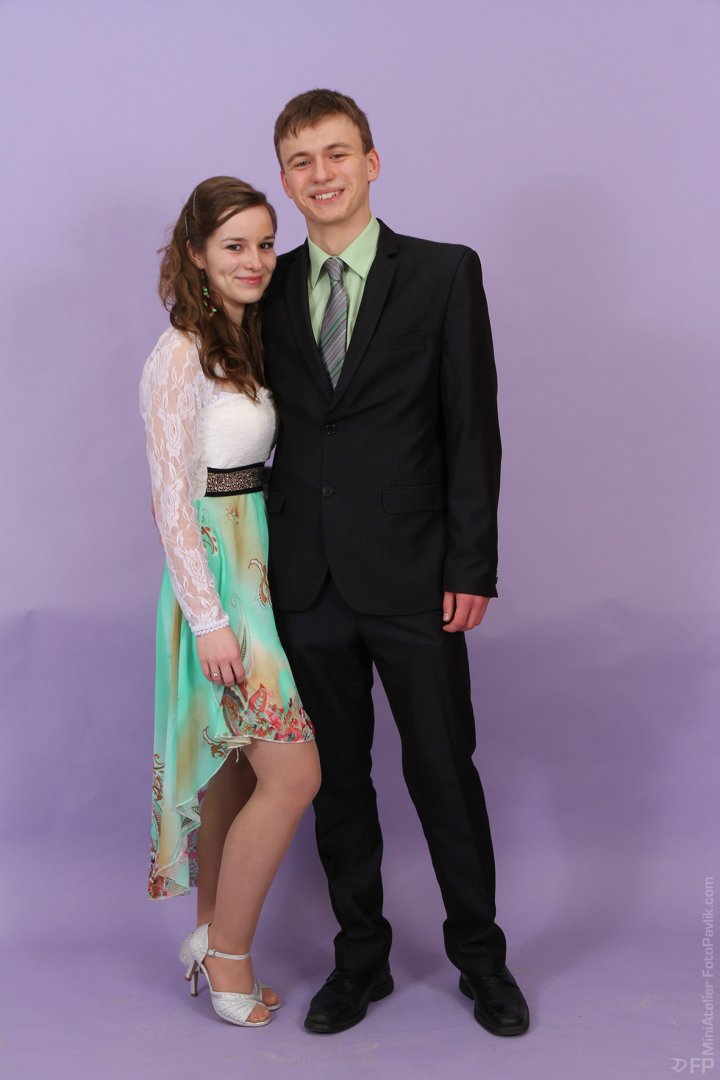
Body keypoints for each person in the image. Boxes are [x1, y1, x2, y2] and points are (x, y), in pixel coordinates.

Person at [261, 90, 529, 1037]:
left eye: (337, 153)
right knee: (337, 782)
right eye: (301, 160)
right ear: (284, 179)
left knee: (442, 772)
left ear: (372, 162)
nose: (321, 174)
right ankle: (360, 959)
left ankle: (482, 961)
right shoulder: (265, 287)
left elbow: (472, 428)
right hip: (305, 582)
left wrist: (472, 564)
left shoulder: (444, 273)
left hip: (417, 576)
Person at [139, 177, 320, 1029]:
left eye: (265, 243)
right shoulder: (179, 353)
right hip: (220, 589)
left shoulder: (244, 342)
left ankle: (210, 932)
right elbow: (171, 501)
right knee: (294, 773)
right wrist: (210, 621)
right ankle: (229, 958)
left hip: (261, 570)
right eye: (235, 246)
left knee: (236, 774)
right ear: (197, 255)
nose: (255, 260)